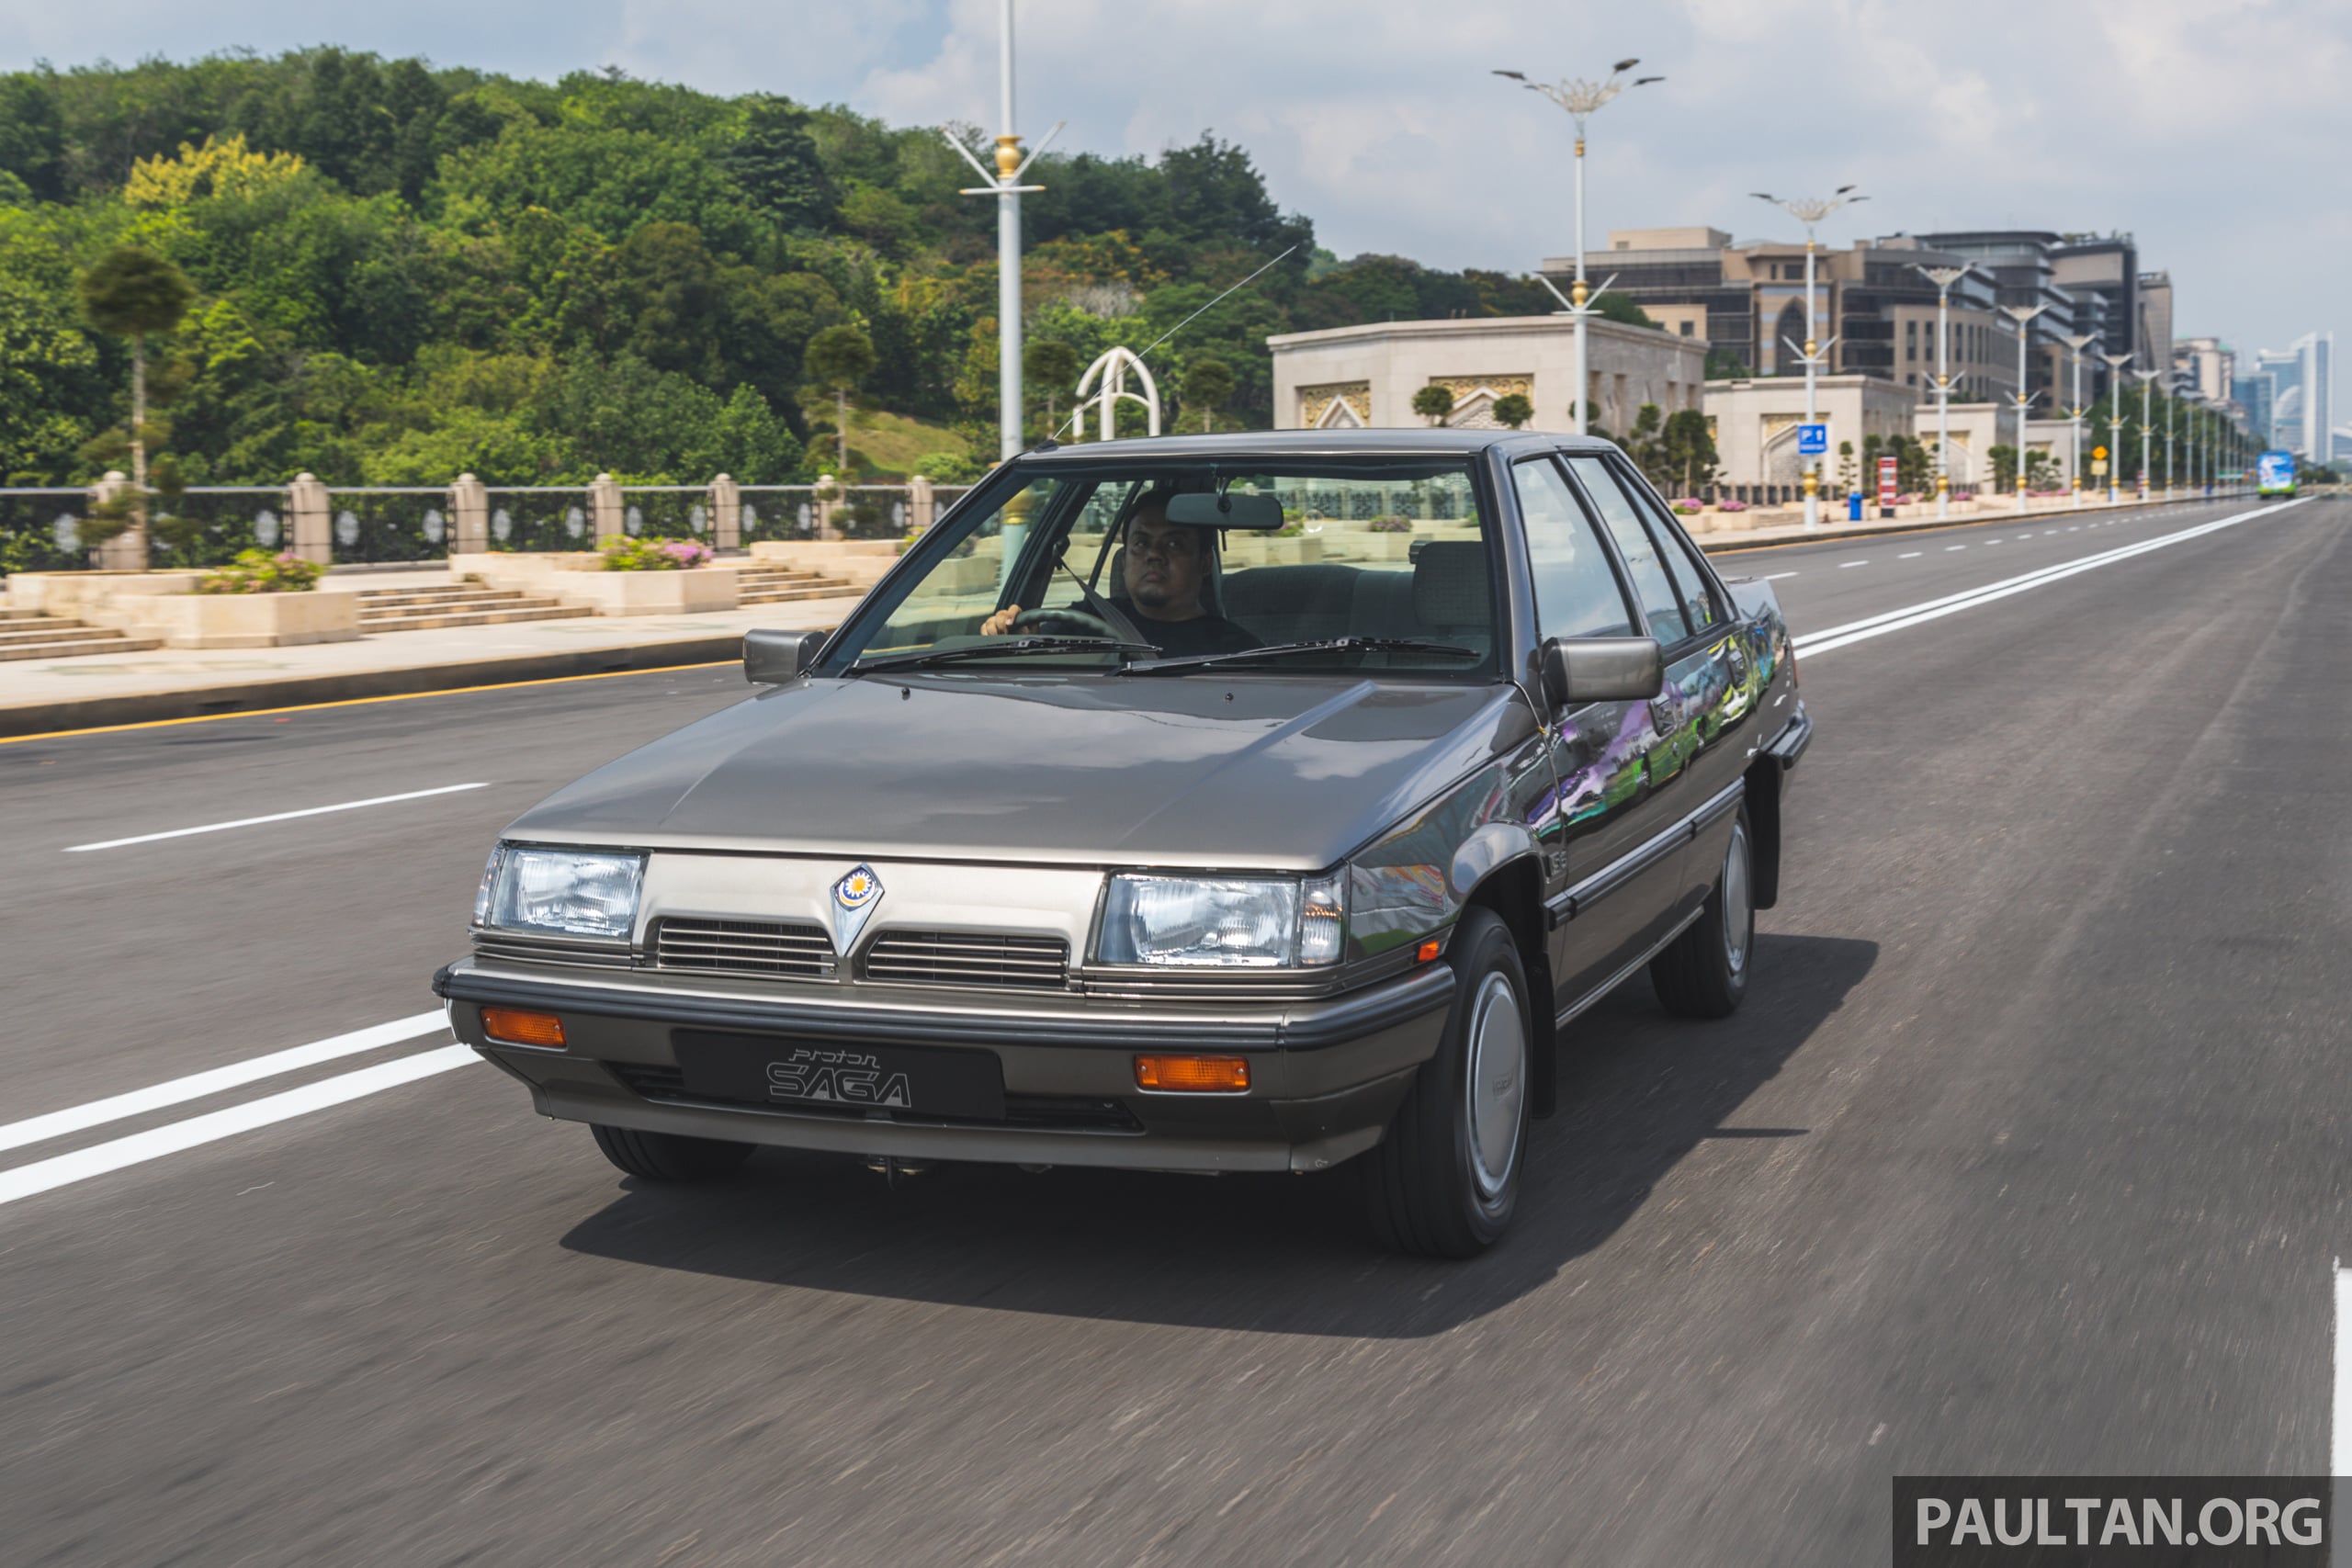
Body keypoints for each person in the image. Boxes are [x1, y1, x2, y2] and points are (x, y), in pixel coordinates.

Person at [981, 490, 1261, 659]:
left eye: (1174, 544)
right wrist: (1013, 634)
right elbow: (1036, 652)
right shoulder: (1083, 621)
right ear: (1124, 560)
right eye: (1141, 543)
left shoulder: (1239, 651)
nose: (1154, 555)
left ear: (1204, 562)